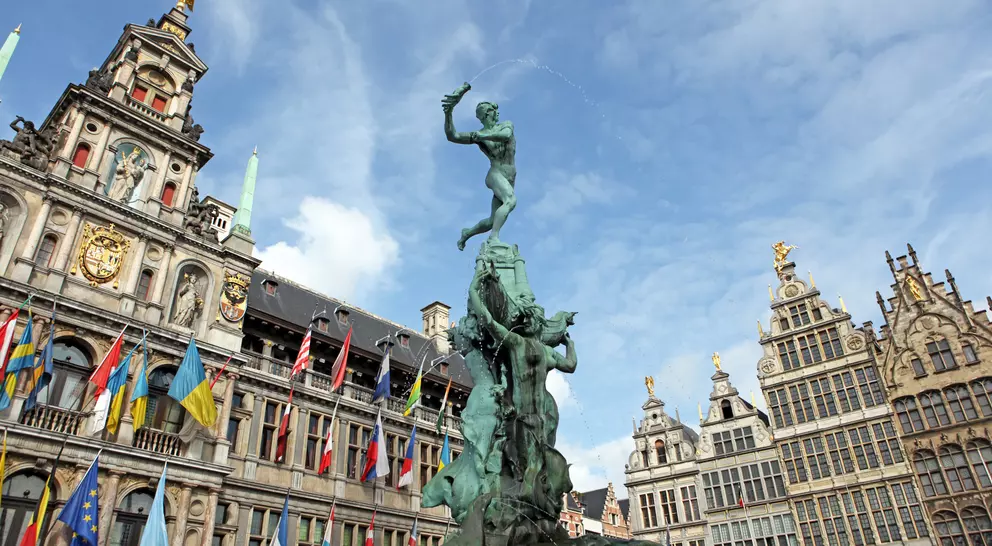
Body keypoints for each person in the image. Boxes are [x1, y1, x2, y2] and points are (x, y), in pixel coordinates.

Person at [442, 83, 517, 250]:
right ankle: (493, 239)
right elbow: (452, 136)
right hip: (495, 173)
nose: (497, 113)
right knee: (510, 200)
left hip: (510, 176)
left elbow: (505, 136)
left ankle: (467, 233)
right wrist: (449, 113)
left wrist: (482, 135)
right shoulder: (479, 135)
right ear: (486, 114)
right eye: (493, 111)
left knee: (492, 221)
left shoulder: (505, 125)